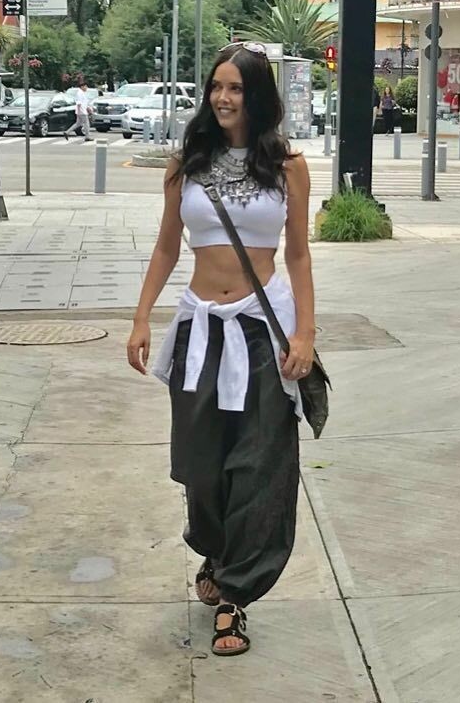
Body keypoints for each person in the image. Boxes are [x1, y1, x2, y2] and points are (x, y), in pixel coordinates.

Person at [127, 42, 315, 658]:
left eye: (236, 88)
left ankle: (235, 595)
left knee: (260, 464)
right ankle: (214, 547)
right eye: (216, 87)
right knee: (201, 462)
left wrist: (306, 333)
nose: (223, 98)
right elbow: (166, 246)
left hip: (263, 329)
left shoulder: (288, 166)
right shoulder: (186, 165)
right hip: (200, 329)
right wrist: (141, 318)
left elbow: (297, 254)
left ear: (257, 97)